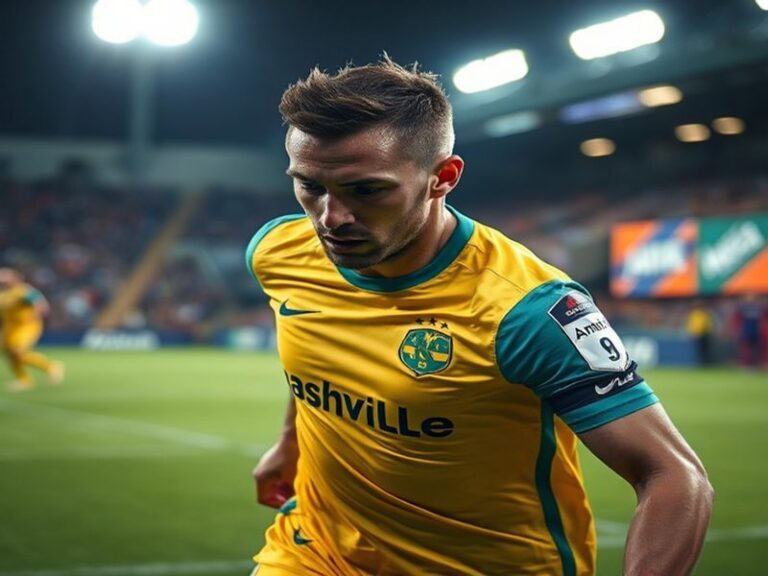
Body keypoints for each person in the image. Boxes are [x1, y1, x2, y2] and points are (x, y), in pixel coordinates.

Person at [245, 56, 713, 576]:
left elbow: (674, 473)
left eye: (367, 190)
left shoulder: (528, 310)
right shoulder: (278, 251)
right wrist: (290, 442)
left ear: (442, 177)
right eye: (310, 185)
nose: (331, 218)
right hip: (315, 548)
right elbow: (318, 352)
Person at [0, 268, 64, 391]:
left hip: (26, 326)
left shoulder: (23, 291)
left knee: (18, 351)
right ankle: (23, 380)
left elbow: (41, 304)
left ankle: (51, 367)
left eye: (5, 278)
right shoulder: (3, 294)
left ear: (14, 278)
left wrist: (34, 315)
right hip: (10, 327)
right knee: (9, 353)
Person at [686, 300, 715, 366]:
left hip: (704, 334)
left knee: (704, 350)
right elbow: (691, 324)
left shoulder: (704, 314)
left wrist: (703, 331)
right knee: (698, 350)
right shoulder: (694, 314)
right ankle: (699, 363)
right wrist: (693, 333)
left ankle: (705, 363)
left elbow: (708, 324)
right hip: (696, 335)